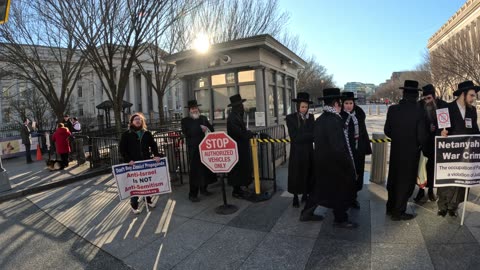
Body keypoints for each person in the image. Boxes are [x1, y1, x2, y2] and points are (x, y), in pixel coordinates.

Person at [300, 88, 357, 228]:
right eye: (341, 102)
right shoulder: (335, 120)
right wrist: (348, 165)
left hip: (321, 161)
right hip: (334, 163)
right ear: (336, 103)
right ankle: (340, 219)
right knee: (341, 190)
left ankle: (306, 213)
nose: (342, 106)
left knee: (318, 189)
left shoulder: (320, 119)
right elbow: (338, 147)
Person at [384, 80, 426, 221]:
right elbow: (421, 136)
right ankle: (398, 212)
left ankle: (390, 208)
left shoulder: (393, 109)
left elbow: (387, 131)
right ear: (416, 95)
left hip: (396, 151)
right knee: (406, 182)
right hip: (411, 152)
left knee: (394, 179)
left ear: (403, 93)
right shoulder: (419, 111)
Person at [438, 80, 480, 217]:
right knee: (448, 179)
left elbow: (475, 130)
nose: (474, 99)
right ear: (463, 94)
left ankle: (453, 206)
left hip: (466, 153)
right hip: (449, 152)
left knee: (461, 181)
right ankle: (443, 205)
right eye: (472, 95)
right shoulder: (447, 109)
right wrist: (441, 133)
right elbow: (439, 129)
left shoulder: (472, 111)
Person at [119, 113, 162, 214]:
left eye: (139, 119)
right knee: (135, 185)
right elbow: (122, 149)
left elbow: (153, 145)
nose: (138, 121)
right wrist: (128, 160)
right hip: (133, 163)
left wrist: (156, 154)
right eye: (135, 119)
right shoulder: (126, 134)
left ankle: (148, 200)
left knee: (147, 183)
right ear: (132, 122)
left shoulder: (146, 133)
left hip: (145, 162)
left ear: (142, 121)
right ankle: (134, 205)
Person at [414, 84, 448, 203]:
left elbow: (446, 124)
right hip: (423, 143)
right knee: (421, 169)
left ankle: (430, 191)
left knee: (433, 169)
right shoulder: (419, 106)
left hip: (437, 144)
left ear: (434, 96)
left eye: (429, 98)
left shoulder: (443, 105)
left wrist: (440, 130)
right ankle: (421, 190)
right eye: (425, 99)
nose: (427, 101)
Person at [340, 92, 372, 209]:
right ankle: (345, 197)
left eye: (350, 103)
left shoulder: (359, 114)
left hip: (358, 150)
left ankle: (353, 197)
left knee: (357, 174)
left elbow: (363, 132)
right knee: (346, 175)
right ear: (343, 104)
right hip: (345, 151)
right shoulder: (339, 115)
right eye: (346, 103)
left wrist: (365, 148)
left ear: (354, 104)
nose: (348, 105)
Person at [181, 100, 216, 202]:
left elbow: (212, 130)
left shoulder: (203, 118)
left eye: (195, 108)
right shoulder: (185, 121)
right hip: (194, 149)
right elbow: (187, 133)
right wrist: (199, 128)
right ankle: (193, 194)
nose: (194, 110)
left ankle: (204, 189)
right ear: (189, 110)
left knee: (205, 169)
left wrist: (207, 129)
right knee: (195, 172)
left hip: (205, 148)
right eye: (192, 108)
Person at [286, 92, 314, 208]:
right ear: (298, 106)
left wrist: (305, 135)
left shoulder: (311, 117)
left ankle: (306, 194)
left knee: (308, 173)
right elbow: (294, 137)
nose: (304, 109)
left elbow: (314, 134)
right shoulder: (291, 118)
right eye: (302, 107)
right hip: (296, 152)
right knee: (296, 174)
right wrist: (309, 135)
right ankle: (295, 196)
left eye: (306, 107)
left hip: (308, 151)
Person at [227, 94, 255, 199]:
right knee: (237, 170)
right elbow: (238, 133)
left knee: (242, 169)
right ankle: (236, 190)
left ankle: (240, 188)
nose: (242, 107)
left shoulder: (238, 115)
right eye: (240, 105)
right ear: (236, 106)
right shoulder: (232, 118)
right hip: (236, 147)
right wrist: (249, 134)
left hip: (241, 147)